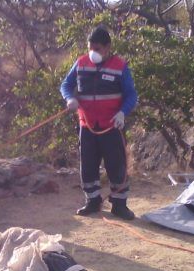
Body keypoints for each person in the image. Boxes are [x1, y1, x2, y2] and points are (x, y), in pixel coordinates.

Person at [60, 26, 138, 220]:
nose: (93, 52)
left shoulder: (119, 66)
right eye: (90, 48)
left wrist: (122, 113)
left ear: (107, 48)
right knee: (88, 165)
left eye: (97, 49)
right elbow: (66, 85)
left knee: (116, 165)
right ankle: (92, 201)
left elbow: (131, 94)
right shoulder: (81, 63)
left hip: (112, 125)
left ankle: (119, 205)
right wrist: (70, 98)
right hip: (87, 125)